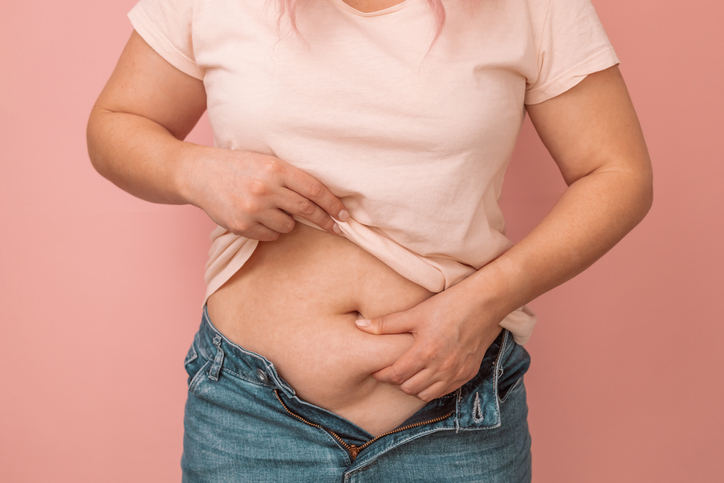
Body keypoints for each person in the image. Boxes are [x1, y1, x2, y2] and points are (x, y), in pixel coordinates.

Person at [86, 0, 653, 480]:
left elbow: (617, 173)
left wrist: (484, 302)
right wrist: (196, 172)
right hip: (250, 415)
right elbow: (116, 122)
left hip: (456, 424)